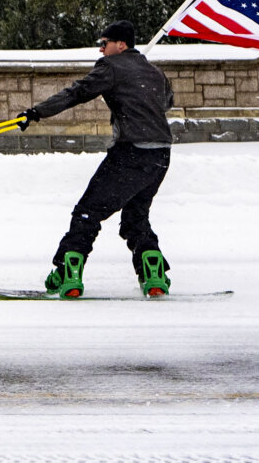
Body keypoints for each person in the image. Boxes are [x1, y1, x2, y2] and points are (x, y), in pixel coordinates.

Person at [17, 19, 175, 298]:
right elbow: (165, 103)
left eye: (104, 44)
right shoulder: (155, 72)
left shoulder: (111, 67)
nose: (100, 50)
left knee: (87, 213)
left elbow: (77, 93)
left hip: (131, 152)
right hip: (160, 154)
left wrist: (36, 113)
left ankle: (69, 272)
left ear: (121, 44)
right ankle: (153, 275)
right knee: (135, 217)